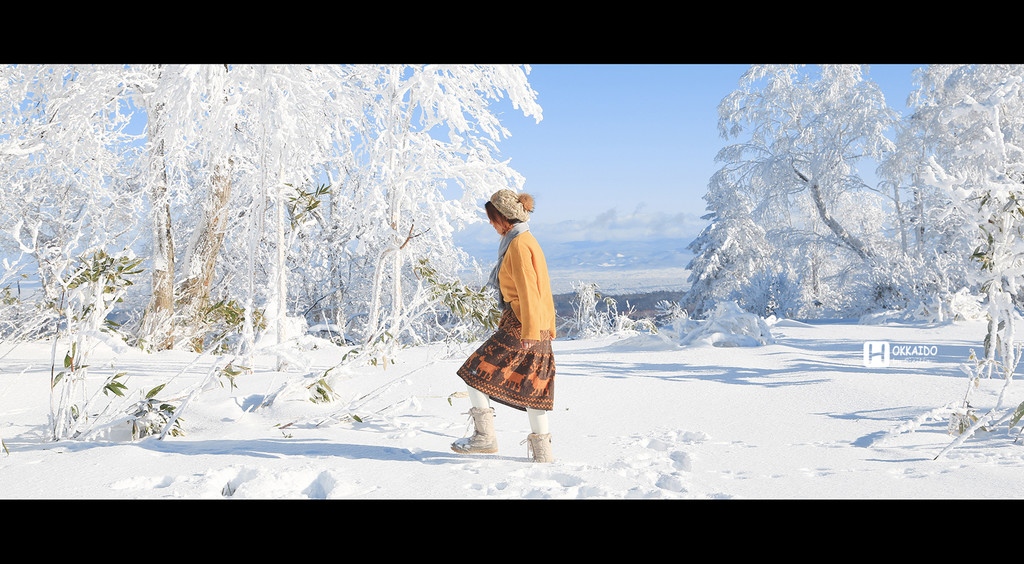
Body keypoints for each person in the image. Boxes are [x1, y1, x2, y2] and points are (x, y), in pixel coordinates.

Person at [452, 189, 557, 463]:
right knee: (533, 387)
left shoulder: (519, 245)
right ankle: (543, 455)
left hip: (524, 323)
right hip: (535, 322)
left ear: (505, 218)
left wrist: (530, 332)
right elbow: (543, 289)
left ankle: (484, 438)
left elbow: (530, 291)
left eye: (492, 217)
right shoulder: (524, 239)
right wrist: (544, 327)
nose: (490, 223)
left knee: (474, 373)